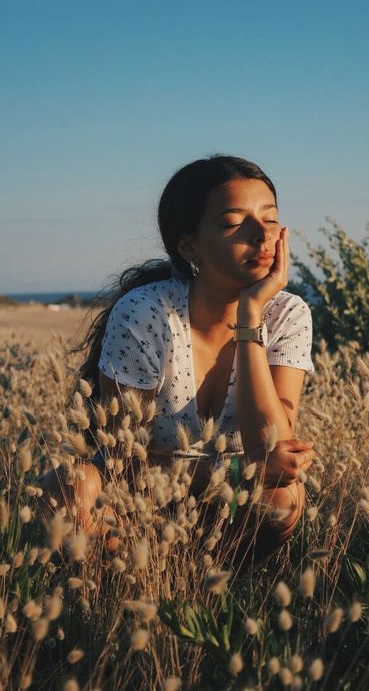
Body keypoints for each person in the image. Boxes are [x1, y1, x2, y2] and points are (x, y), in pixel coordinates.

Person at [41, 155, 316, 564]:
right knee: (69, 487)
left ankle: (212, 583)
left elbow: (272, 448)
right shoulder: (146, 313)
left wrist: (250, 319)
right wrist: (238, 471)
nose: (262, 235)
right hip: (135, 500)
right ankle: (143, 581)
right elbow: (123, 464)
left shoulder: (287, 313)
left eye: (271, 219)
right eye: (233, 223)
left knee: (282, 498)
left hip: (231, 504)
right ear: (188, 245)